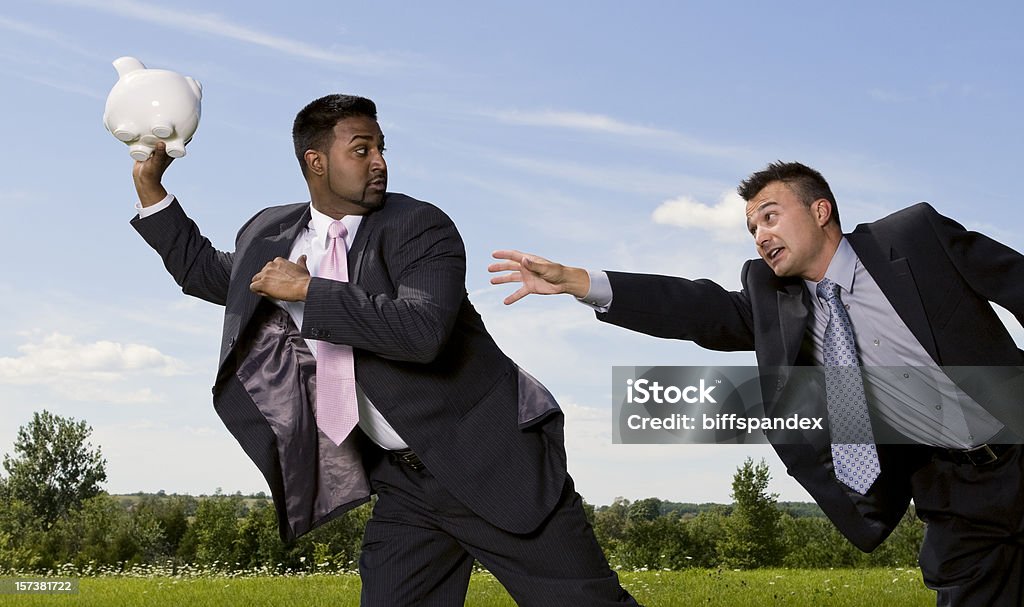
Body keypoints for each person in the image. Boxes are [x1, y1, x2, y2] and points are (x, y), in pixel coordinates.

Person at [129, 94, 639, 606]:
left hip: (494, 464)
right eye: (362, 149)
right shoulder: (270, 231)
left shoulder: (420, 227)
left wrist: (309, 291)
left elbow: (420, 332)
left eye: (381, 147)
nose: (380, 162)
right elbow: (210, 274)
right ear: (316, 162)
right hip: (402, 485)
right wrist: (152, 190)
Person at [490, 161, 1024, 606]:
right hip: (954, 494)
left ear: (821, 211)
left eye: (771, 217)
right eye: (752, 229)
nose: (761, 235)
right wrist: (584, 284)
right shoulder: (776, 300)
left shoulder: (914, 236)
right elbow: (697, 310)